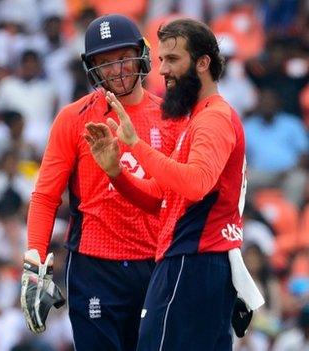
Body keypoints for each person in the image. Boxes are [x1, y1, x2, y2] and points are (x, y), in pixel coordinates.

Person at [84, 18, 264, 350]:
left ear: (203, 63)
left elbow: (195, 184)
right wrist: (116, 174)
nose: (162, 70)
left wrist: (136, 145)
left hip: (191, 260)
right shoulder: (199, 118)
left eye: (172, 60)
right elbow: (161, 197)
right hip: (199, 261)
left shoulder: (212, 119)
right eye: (161, 59)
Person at [20, 14, 185, 350]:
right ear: (92, 68)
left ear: (140, 54)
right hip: (93, 265)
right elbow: (45, 196)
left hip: (156, 264)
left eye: (123, 57)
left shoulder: (171, 115)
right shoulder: (72, 118)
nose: (116, 69)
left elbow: (180, 197)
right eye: (105, 62)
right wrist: (35, 263)